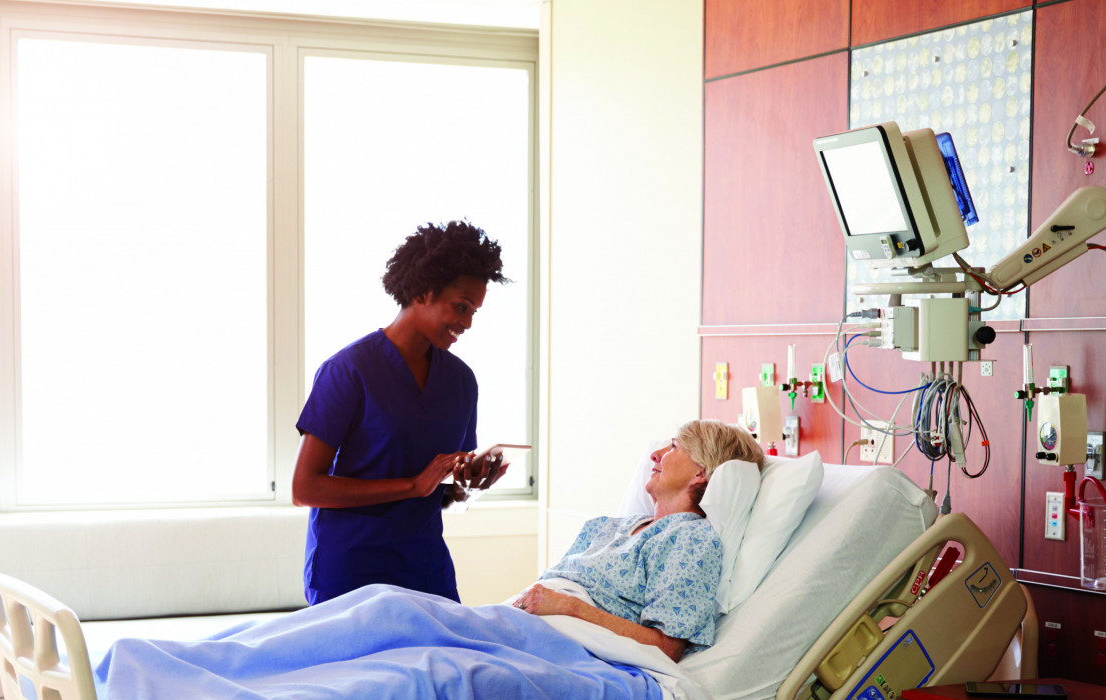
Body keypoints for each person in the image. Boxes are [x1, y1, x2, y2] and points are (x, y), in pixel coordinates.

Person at [293, 220, 511, 605]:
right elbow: (304, 488)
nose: (468, 322)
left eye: (474, 310)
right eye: (461, 307)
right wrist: (413, 484)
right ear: (424, 292)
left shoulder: (461, 381)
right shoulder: (348, 371)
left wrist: (468, 484)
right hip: (350, 573)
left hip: (425, 570)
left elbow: (443, 492)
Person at [514, 420, 765, 662]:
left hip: (568, 649)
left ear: (701, 471)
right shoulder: (606, 525)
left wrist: (570, 606)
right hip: (524, 623)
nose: (655, 455)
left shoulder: (689, 539)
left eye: (674, 447)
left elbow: (666, 648)